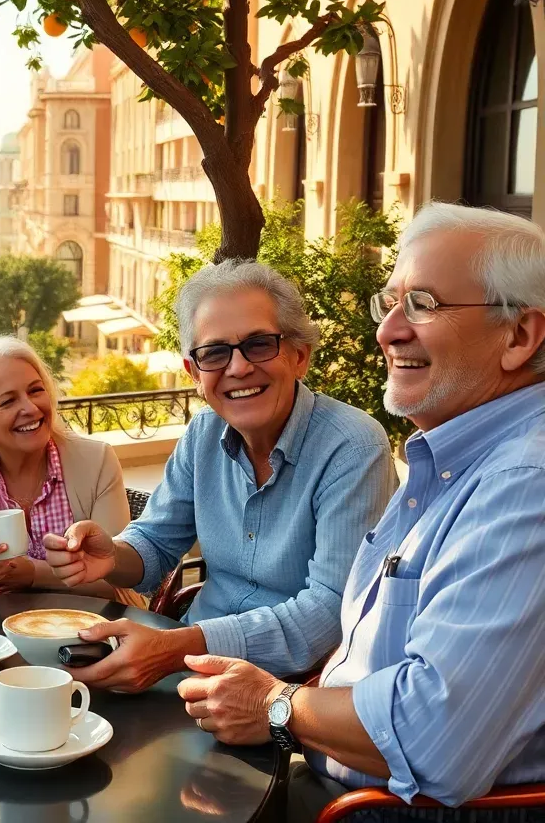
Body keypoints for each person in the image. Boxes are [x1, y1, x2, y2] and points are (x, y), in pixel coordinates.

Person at [174, 203, 545, 822]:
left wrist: (277, 705)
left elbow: (436, 737)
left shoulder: (522, 486)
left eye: (423, 304)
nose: (389, 331)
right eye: (391, 303)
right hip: (326, 767)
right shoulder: (449, 461)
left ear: (520, 337)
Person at [44, 260, 395, 692]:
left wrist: (176, 648)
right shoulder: (203, 435)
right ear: (194, 374)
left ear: (299, 356)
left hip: (284, 693)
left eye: (259, 344)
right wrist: (110, 557)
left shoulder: (353, 447)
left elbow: (330, 610)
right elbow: (154, 544)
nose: (239, 368)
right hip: (185, 668)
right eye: (215, 353)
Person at [0, 336, 144, 605]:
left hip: (89, 633)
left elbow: (117, 584)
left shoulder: (96, 460)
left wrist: (34, 574)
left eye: (35, 390)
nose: (30, 408)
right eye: (8, 401)